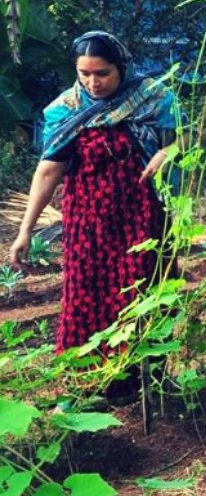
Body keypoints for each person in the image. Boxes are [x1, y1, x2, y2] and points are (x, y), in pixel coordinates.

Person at [8, 30, 181, 403]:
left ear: (121, 67)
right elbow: (48, 171)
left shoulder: (152, 97)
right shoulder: (65, 110)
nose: (93, 82)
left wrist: (170, 152)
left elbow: (186, 138)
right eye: (84, 73)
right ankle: (84, 389)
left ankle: (152, 384)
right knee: (85, 299)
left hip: (144, 218)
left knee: (147, 293)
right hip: (89, 224)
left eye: (101, 73)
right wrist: (25, 232)